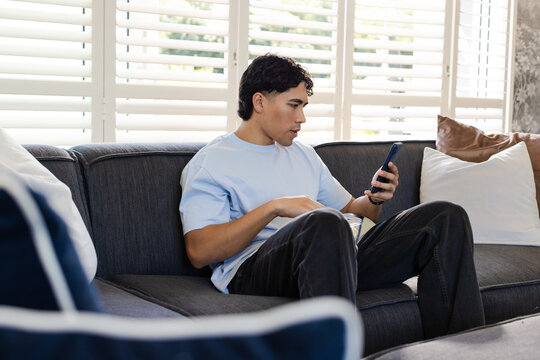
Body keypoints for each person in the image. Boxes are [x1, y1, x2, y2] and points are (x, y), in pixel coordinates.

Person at [179, 53, 485, 338]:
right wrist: (274, 208)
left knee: (445, 216)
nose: (302, 119)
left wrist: (376, 198)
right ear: (259, 102)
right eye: (293, 105)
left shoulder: (304, 155)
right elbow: (199, 251)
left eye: (304, 108)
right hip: (251, 271)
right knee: (323, 221)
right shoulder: (213, 162)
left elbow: (352, 211)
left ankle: (459, 349)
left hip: (329, 260)